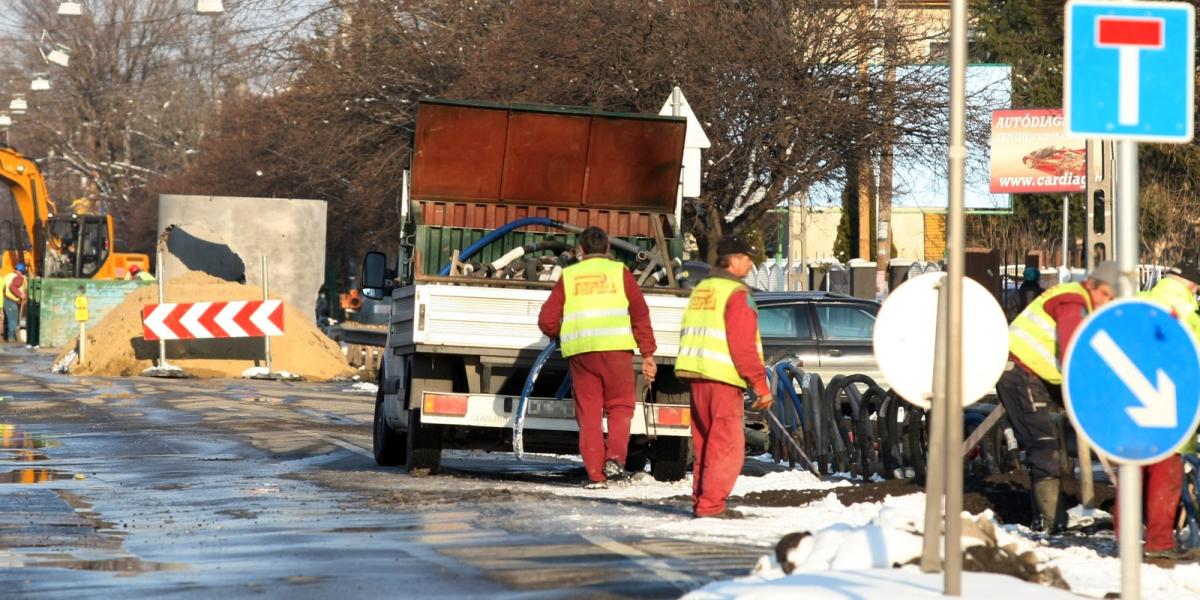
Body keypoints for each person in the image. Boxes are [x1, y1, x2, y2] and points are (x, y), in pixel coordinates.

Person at [995, 260, 1119, 532]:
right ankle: (1050, 523)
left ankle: (1049, 515)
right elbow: (1072, 349)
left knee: (1051, 445)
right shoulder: (1074, 301)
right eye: (1108, 296)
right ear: (1096, 286)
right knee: (1045, 446)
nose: (1107, 303)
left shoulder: (1082, 302)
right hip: (1021, 372)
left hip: (1036, 375)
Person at [538, 226, 657, 489]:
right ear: (607, 249)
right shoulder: (621, 273)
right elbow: (640, 313)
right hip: (616, 353)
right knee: (620, 408)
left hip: (581, 356)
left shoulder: (569, 276)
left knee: (589, 415)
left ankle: (595, 475)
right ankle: (614, 459)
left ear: (580, 251)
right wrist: (647, 353)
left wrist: (562, 334)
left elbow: (546, 320)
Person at [675, 236, 772, 519]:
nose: (751, 263)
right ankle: (711, 505)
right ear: (732, 260)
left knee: (705, 444)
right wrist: (759, 385)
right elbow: (742, 345)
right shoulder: (736, 293)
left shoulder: (702, 289)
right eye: (746, 258)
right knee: (727, 446)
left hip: (696, 374)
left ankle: (702, 500)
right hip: (722, 377)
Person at [1115, 261, 1200, 560]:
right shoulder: (1188, 311)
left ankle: (1124, 539)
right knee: (1166, 472)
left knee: (1132, 468)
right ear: (1193, 286)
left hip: (1129, 402)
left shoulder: (1142, 299)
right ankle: (1160, 543)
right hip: (1167, 403)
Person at [2, 263, 28, 342]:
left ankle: (8, 336)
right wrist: (21, 294)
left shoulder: (9, 276)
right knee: (13, 319)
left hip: (5, 299)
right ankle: (11, 338)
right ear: (21, 271)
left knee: (9, 319)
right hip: (11, 301)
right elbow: (12, 287)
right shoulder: (19, 278)